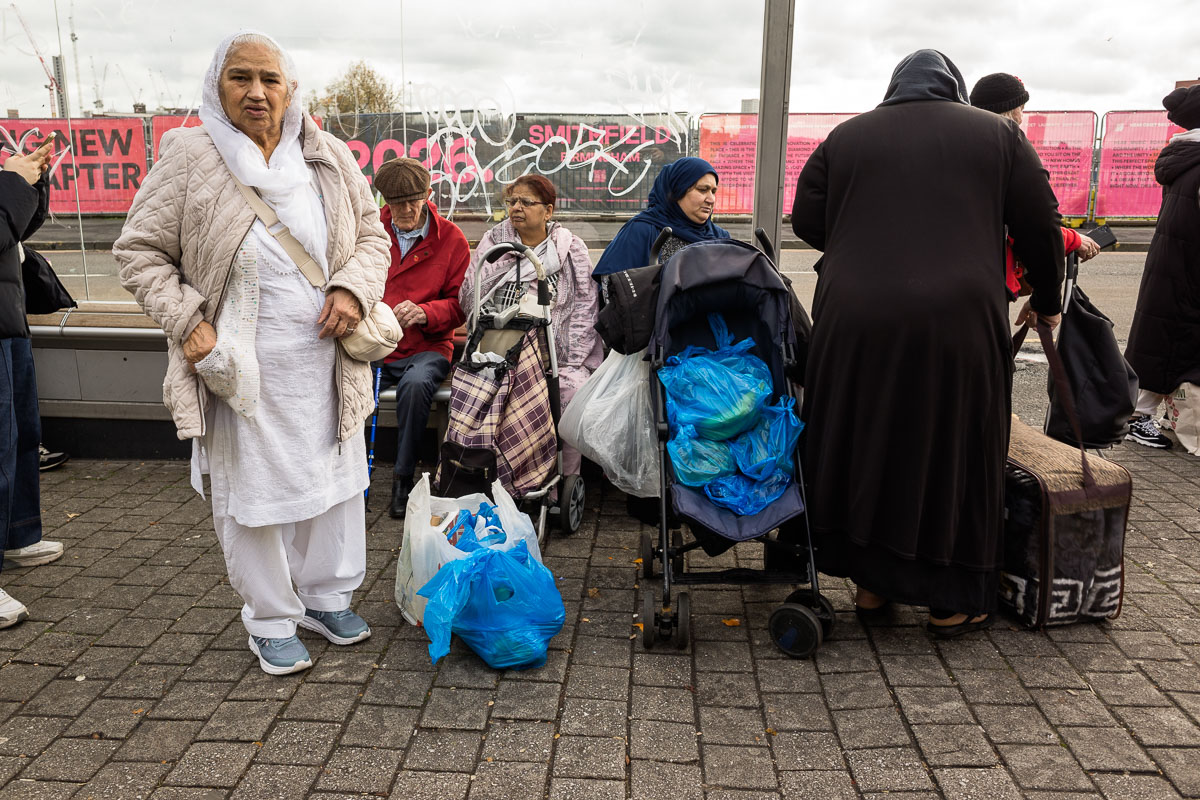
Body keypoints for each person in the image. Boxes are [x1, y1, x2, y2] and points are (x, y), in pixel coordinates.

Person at [114, 31, 389, 675]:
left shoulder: (328, 154)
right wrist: (188, 324)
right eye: (241, 78)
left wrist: (350, 288)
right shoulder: (189, 155)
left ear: (291, 88)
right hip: (240, 371)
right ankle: (269, 617)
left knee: (334, 486)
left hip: (329, 364)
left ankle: (325, 596)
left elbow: (373, 237)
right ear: (218, 86)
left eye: (270, 79)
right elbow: (137, 251)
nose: (257, 93)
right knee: (257, 494)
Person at [791, 49, 1064, 638]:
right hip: (957, 319)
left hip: (854, 314)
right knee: (952, 439)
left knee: (868, 434)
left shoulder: (847, 136)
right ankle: (949, 600)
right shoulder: (998, 135)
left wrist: (861, 243)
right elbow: (1041, 223)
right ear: (955, 89)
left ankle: (869, 586)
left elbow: (808, 217)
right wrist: (1047, 298)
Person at [461, 175, 601, 477]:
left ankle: (561, 479)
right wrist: (511, 261)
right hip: (501, 349)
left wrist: (572, 360)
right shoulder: (494, 243)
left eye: (527, 202)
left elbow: (584, 308)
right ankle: (502, 478)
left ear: (548, 211)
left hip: (555, 354)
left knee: (569, 390)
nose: (517, 208)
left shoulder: (570, 248)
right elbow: (469, 298)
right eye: (512, 201)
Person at [373, 157, 470, 518]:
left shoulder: (451, 239)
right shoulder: (370, 228)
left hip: (428, 345)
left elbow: (461, 305)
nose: (405, 211)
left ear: (428, 195)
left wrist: (426, 312)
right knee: (340, 379)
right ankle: (341, 476)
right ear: (384, 201)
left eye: (413, 202)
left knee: (415, 387)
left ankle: (403, 477)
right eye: (396, 204)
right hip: (375, 342)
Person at [0, 137, 65, 629]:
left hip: (8, 319)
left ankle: (19, 534)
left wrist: (32, 184)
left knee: (21, 434)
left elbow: (16, 227)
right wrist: (14, 182)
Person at [969, 72, 1102, 307]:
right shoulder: (1009, 145)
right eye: (1021, 108)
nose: (1022, 117)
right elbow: (1034, 224)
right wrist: (1047, 302)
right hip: (987, 283)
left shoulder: (959, 147)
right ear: (1009, 110)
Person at [1123, 84, 1200, 449]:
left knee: (1162, 340)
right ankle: (1139, 417)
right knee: (1172, 343)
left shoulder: (1183, 155)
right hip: (1189, 268)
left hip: (1174, 264)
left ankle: (1142, 414)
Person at [592, 156, 730, 283]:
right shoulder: (642, 230)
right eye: (702, 190)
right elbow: (612, 287)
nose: (711, 199)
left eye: (713, 191)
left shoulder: (719, 237)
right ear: (677, 191)